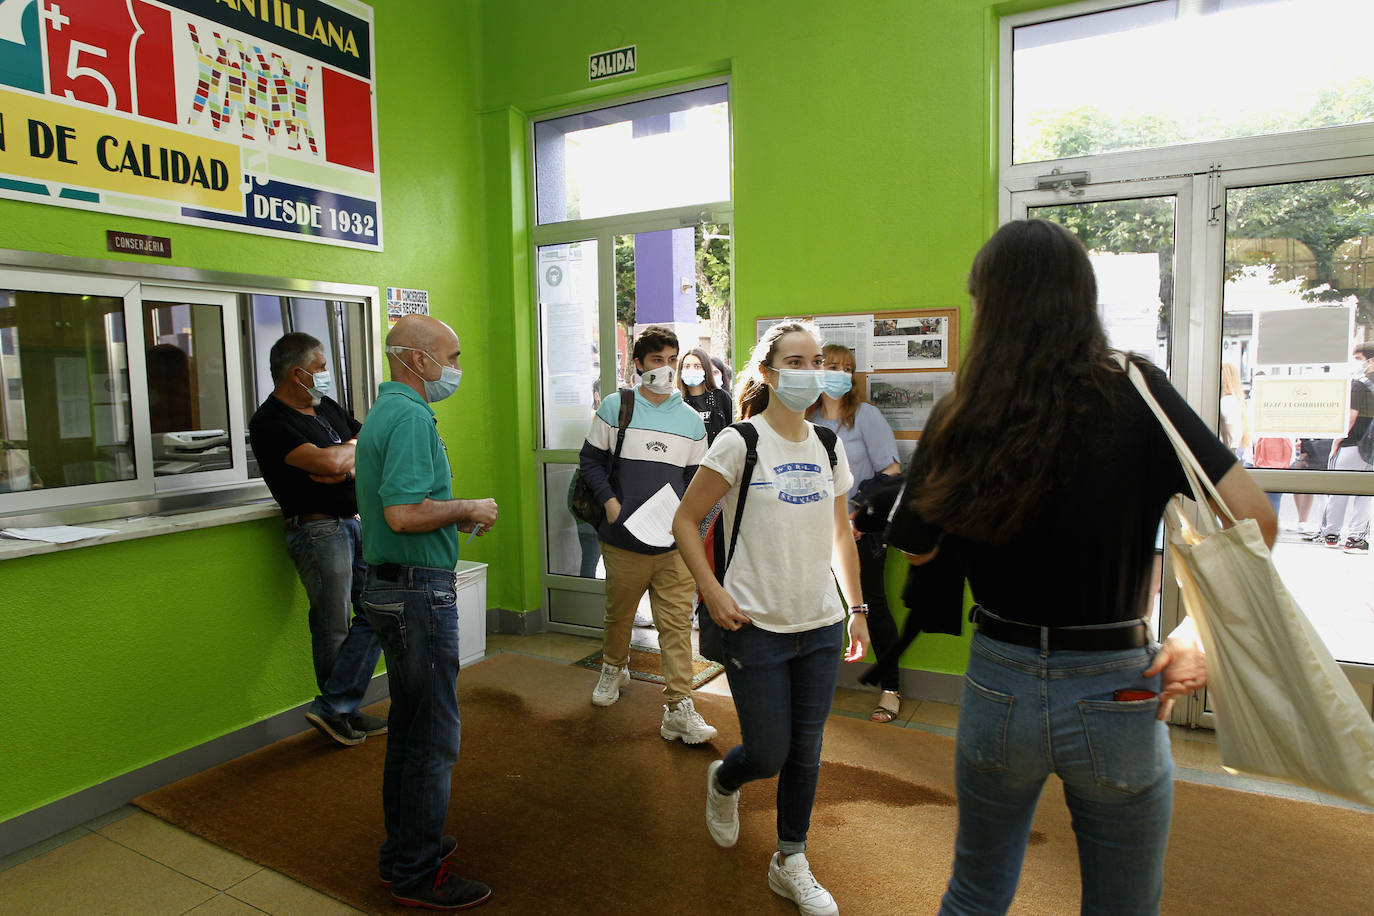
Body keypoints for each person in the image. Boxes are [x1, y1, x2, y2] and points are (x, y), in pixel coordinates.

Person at [883, 220, 1275, 916]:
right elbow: (1253, 517)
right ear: (1079, 299)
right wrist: (1199, 636)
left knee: (975, 891)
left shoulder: (962, 412)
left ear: (990, 305)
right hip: (1117, 686)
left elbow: (916, 543)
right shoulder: (1137, 392)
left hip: (998, 678)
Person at [672, 320, 870, 916]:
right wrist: (710, 591)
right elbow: (685, 522)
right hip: (752, 624)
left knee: (806, 752)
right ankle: (725, 781)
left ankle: (790, 859)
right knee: (768, 751)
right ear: (766, 371)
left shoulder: (828, 444)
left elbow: (841, 532)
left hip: (818, 622)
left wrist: (856, 609)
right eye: (797, 361)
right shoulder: (739, 442)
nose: (811, 372)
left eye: (817, 361)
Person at [354, 314, 498, 910]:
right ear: (416, 359)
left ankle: (406, 851)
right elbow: (403, 514)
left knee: (412, 730)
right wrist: (468, 504)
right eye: (453, 357)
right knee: (432, 736)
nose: (456, 369)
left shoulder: (386, 412)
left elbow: (409, 506)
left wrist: (452, 514)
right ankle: (416, 871)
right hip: (418, 594)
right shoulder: (410, 416)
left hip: (393, 587)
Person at [577, 324, 717, 743]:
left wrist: (687, 525)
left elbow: (698, 482)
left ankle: (678, 705)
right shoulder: (616, 407)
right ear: (638, 364)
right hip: (623, 540)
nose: (666, 369)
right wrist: (611, 504)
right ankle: (613, 668)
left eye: (672, 360)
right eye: (657, 360)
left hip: (674, 545)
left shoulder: (691, 421)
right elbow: (590, 462)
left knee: (675, 625)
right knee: (619, 614)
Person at [248, 333, 385, 747]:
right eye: (321, 367)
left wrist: (345, 465)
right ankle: (337, 713)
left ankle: (340, 705)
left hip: (355, 522)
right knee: (332, 626)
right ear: (297, 373)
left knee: (375, 613)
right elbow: (327, 460)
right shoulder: (271, 421)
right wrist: (344, 460)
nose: (326, 375)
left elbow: (373, 441)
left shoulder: (326, 409)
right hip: (318, 529)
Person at [807, 343, 903, 723]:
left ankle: (891, 689)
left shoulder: (866, 416)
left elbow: (892, 472)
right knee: (817, 607)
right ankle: (813, 686)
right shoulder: (806, 416)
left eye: (847, 367)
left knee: (872, 607)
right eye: (832, 366)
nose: (840, 373)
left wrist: (856, 514)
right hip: (812, 528)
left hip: (860, 530)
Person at [1306, 343, 1374, 554]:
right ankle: (1356, 539)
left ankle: (1331, 534)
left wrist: (1337, 440)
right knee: (1366, 495)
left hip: (1351, 445)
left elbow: (1352, 416)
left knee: (1338, 490)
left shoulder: (1360, 384)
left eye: (1360, 359)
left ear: (1370, 360)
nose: (1360, 364)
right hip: (1371, 448)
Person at [678, 347, 733, 444]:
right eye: (686, 366)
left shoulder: (721, 397)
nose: (691, 370)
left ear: (706, 368)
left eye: (697, 366)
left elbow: (732, 428)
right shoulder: (677, 401)